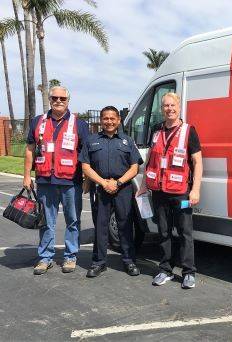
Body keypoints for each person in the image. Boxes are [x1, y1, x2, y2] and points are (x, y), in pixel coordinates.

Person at [136, 92, 203, 289]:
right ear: (161, 109)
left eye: (172, 105)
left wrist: (196, 189)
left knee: (185, 232)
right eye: (165, 106)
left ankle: (188, 271)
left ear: (179, 106)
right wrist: (142, 185)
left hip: (181, 191)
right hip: (159, 192)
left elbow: (198, 161)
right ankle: (165, 269)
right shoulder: (156, 130)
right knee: (163, 232)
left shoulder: (189, 131)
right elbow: (151, 159)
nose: (169, 109)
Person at [24, 86, 89, 275]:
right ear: (50, 99)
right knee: (46, 222)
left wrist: (87, 179)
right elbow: (29, 149)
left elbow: (86, 152)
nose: (58, 101)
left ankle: (70, 256)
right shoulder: (38, 122)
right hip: (45, 181)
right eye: (55, 97)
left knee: (73, 220)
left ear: (68, 100)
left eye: (62, 98)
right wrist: (27, 175)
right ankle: (45, 258)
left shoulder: (79, 124)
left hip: (71, 181)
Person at [79, 106, 143, 277]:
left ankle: (129, 261)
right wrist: (103, 182)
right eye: (105, 118)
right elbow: (85, 166)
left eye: (112, 118)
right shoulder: (91, 141)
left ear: (118, 120)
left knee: (125, 225)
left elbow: (135, 167)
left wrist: (118, 182)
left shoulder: (127, 141)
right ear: (101, 120)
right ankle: (99, 262)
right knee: (100, 227)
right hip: (100, 188)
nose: (109, 121)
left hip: (123, 188)